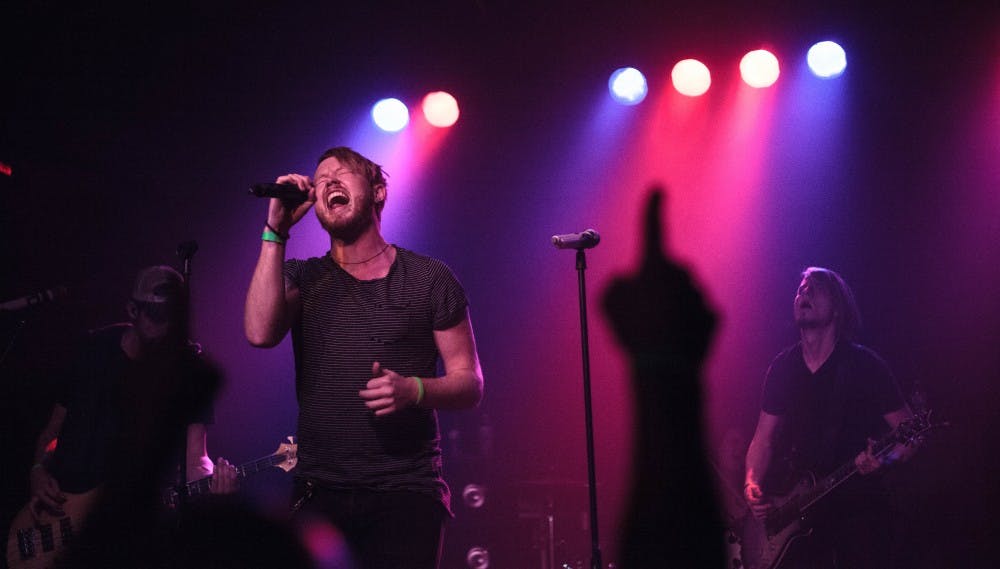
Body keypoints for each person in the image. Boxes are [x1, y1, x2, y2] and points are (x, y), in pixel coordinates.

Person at [244, 146, 484, 569]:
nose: (329, 183)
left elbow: (470, 383)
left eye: (342, 173)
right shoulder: (304, 276)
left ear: (378, 192)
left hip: (405, 494)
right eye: (321, 180)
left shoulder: (429, 278)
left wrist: (414, 389)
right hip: (320, 492)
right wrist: (275, 231)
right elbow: (260, 332)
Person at [19, 265, 236, 568]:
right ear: (133, 310)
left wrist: (217, 483)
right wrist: (38, 470)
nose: (164, 327)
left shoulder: (183, 374)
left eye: (171, 317)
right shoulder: (93, 351)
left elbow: (195, 460)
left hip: (124, 536)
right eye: (156, 316)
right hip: (59, 514)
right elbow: (51, 432)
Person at [743, 267, 919, 569]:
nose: (804, 292)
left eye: (815, 288)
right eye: (801, 288)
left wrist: (885, 460)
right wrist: (751, 482)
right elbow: (763, 439)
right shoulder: (783, 367)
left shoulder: (865, 365)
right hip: (797, 512)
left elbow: (911, 433)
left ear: (837, 308)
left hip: (856, 509)